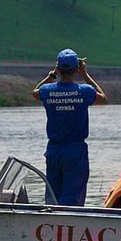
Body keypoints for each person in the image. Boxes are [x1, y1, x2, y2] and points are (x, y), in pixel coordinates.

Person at [32, 48, 107, 206]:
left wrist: (51, 76)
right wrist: (86, 75)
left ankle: (52, 225)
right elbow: (103, 98)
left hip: (54, 150)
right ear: (76, 70)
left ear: (58, 68)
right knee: (72, 197)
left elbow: (34, 92)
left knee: (53, 195)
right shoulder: (84, 91)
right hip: (75, 150)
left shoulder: (47, 91)